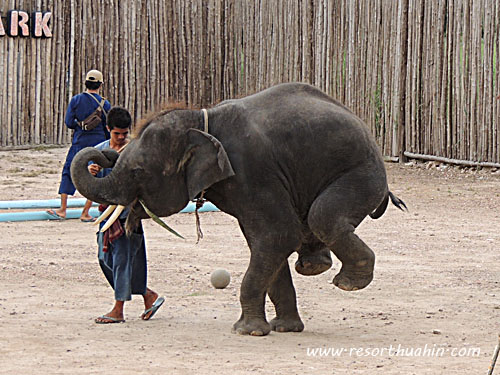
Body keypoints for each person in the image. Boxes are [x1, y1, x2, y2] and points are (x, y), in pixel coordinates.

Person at [89, 106, 164, 324]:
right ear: (108, 129)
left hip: (127, 215)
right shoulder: (99, 151)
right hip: (106, 214)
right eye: (116, 134)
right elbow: (90, 183)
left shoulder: (134, 152)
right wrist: (91, 172)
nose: (121, 138)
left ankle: (118, 308)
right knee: (105, 259)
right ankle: (149, 295)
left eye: (124, 134)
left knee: (123, 260)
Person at [47, 69, 111, 222]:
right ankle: (85, 212)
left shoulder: (76, 100)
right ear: (101, 85)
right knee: (94, 175)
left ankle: (62, 210)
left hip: (79, 142)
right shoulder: (105, 104)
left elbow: (69, 123)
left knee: (69, 171)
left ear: (85, 83)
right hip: (98, 144)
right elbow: (107, 127)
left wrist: (80, 127)